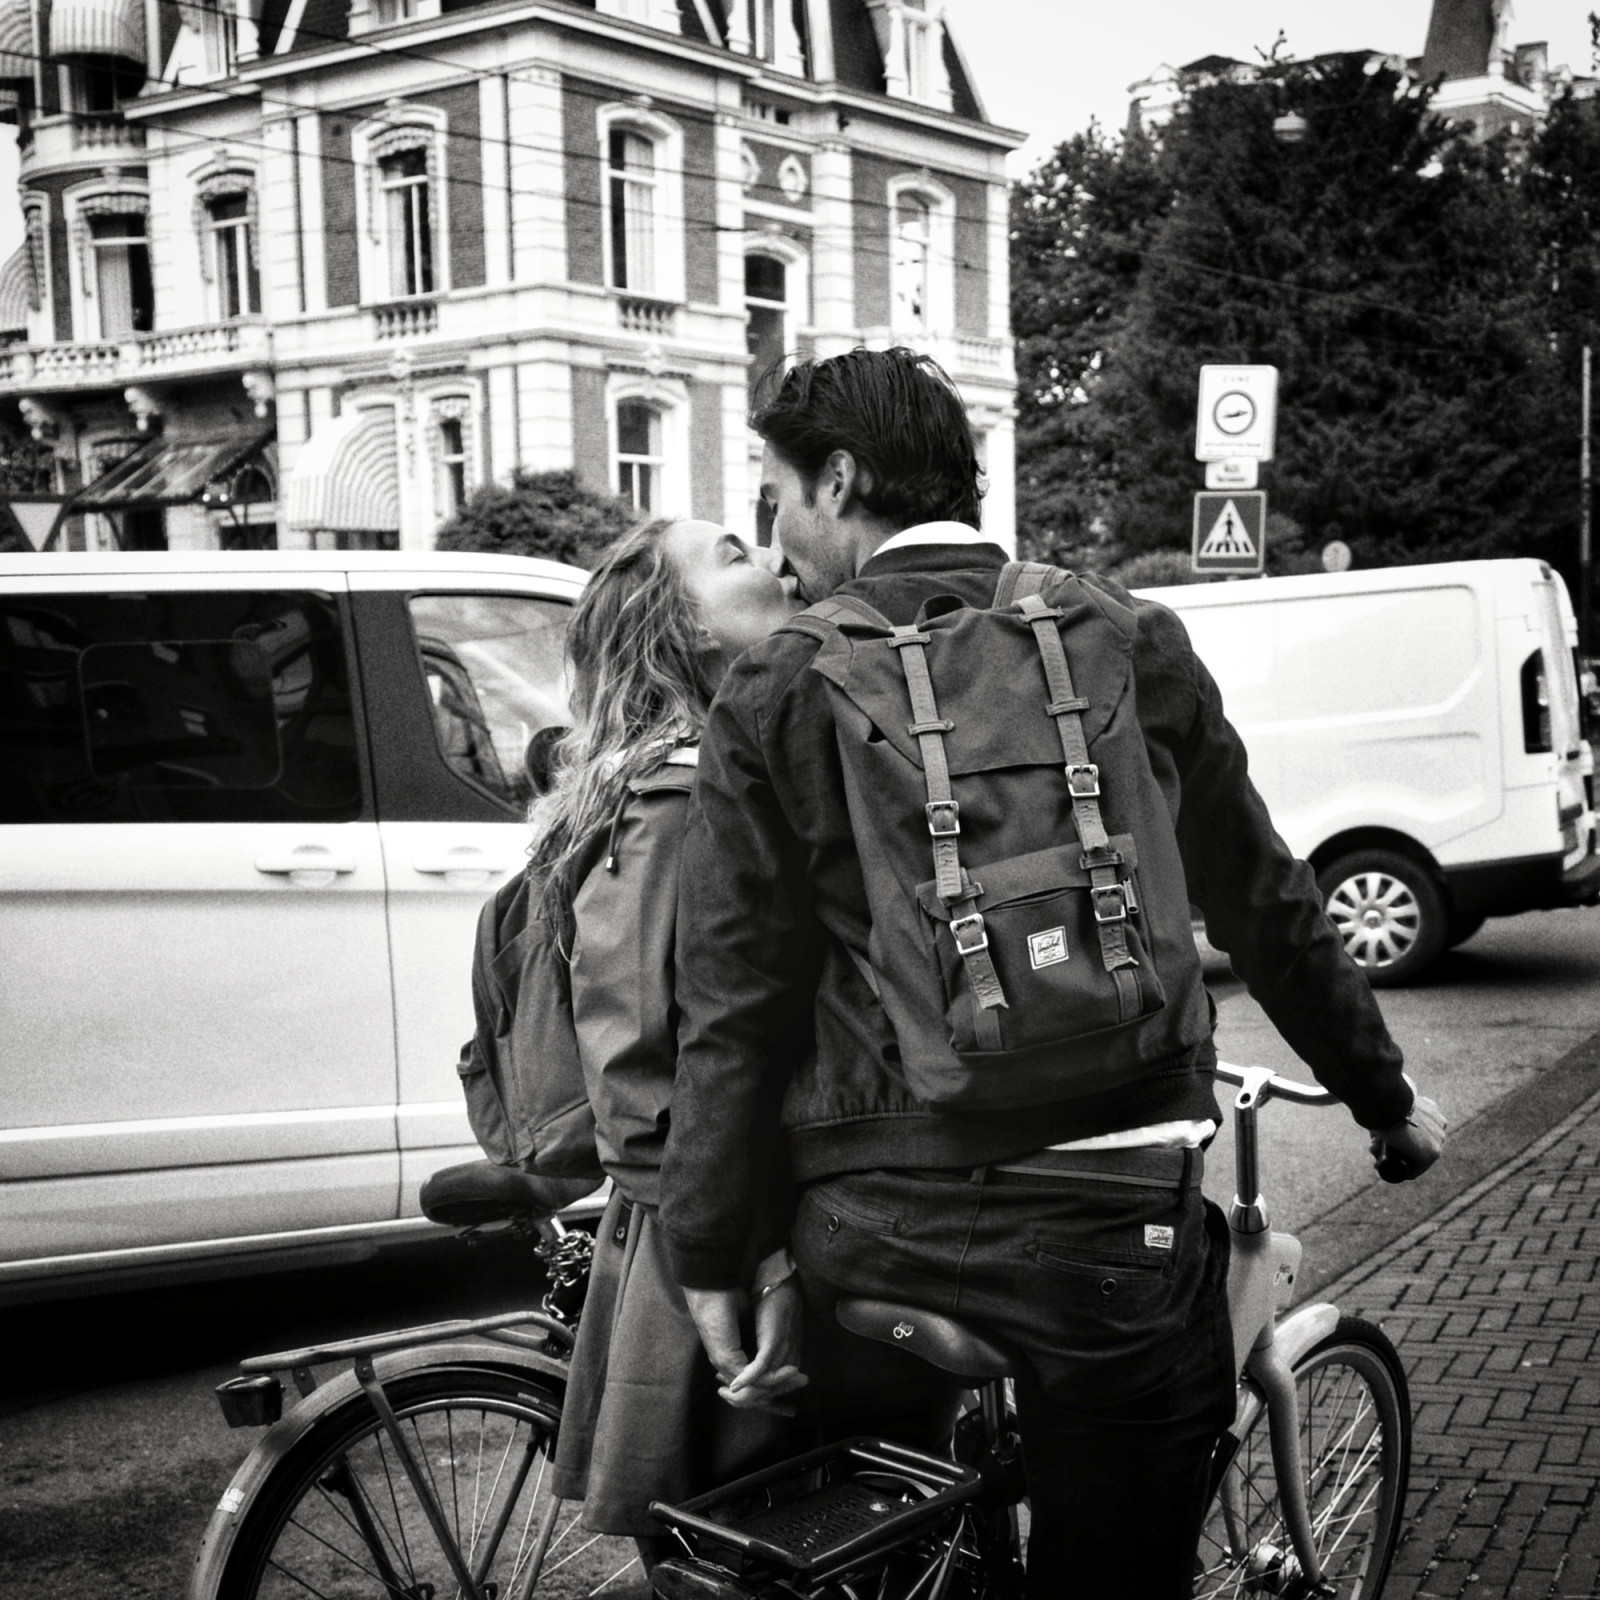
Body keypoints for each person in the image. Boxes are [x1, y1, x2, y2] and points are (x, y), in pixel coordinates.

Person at [657, 347, 1448, 1596]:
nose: (777, 537)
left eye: (778, 497)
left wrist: (710, 1253)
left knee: (877, 1543)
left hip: (871, 1231)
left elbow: (733, 1006)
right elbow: (1263, 893)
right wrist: (1381, 1095)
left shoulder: (781, 684)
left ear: (842, 478)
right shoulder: (1128, 637)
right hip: (1105, 1230)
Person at [508, 517, 808, 1563]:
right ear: (676, 628)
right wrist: (736, 1259)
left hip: (709, 1213)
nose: (769, 560)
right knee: (739, 1548)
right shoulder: (676, 797)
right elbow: (636, 1055)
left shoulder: (695, 772)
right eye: (731, 553)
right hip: (704, 1227)